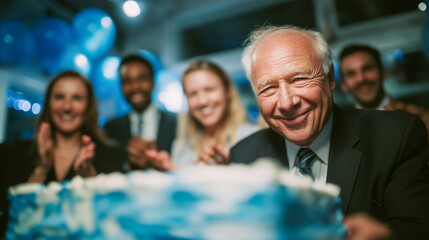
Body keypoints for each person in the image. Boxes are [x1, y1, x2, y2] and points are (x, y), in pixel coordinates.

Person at [229, 25, 429, 239]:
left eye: (299, 79)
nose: (286, 103)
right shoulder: (243, 156)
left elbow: (417, 228)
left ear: (330, 78)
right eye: (268, 88)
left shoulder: (396, 136)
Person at [0, 70, 125, 236]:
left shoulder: (112, 155)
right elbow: (8, 221)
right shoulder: (13, 153)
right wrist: (41, 170)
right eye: (59, 97)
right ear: (48, 103)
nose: (67, 107)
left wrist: (89, 176)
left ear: (88, 107)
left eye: (77, 98)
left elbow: (113, 222)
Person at [145, 59, 259, 170]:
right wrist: (174, 173)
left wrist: (230, 169)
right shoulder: (181, 146)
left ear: (227, 91)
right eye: (193, 94)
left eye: (209, 89)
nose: (202, 101)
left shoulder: (253, 137)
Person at [103, 53, 177, 171]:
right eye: (127, 81)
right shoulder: (111, 128)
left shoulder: (176, 122)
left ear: (153, 82)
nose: (135, 87)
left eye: (141, 78)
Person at [339, 44, 429, 139]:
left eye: (368, 68)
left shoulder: (420, 117)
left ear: (383, 72)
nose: (361, 79)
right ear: (343, 85)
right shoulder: (341, 134)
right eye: (351, 74)